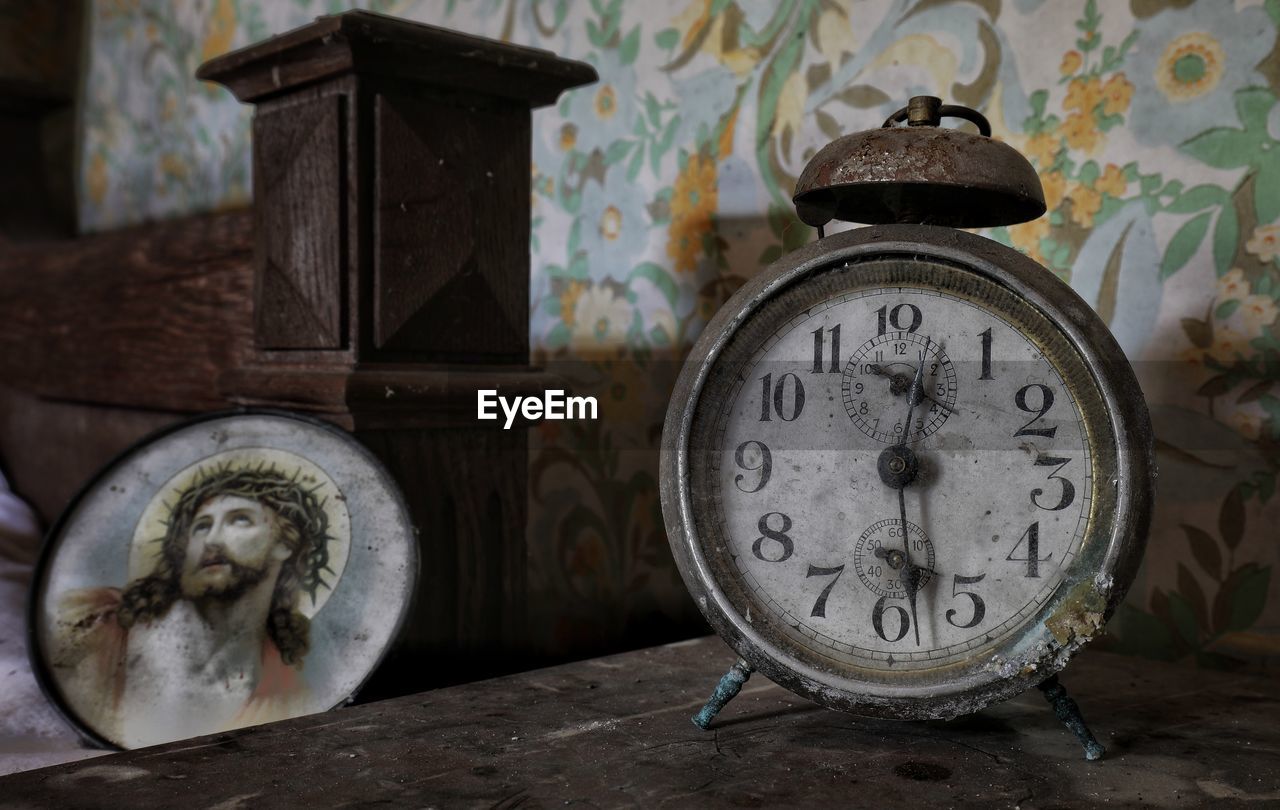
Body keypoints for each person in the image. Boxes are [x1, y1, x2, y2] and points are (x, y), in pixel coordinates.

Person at [49, 465, 334, 748]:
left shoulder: (288, 695)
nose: (211, 540)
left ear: (285, 543)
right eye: (201, 526)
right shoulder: (96, 623)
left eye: (240, 520)